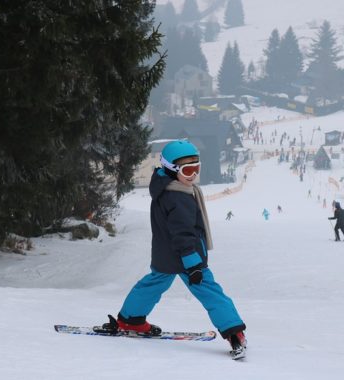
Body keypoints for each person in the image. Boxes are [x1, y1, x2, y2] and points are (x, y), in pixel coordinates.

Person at [102, 140, 246, 356]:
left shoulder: (163, 186)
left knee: (152, 285)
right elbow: (183, 234)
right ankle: (234, 331)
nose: (193, 175)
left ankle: (130, 319)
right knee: (211, 292)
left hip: (165, 254)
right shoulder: (179, 197)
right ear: (171, 169)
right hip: (186, 256)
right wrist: (194, 265)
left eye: (196, 168)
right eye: (187, 170)